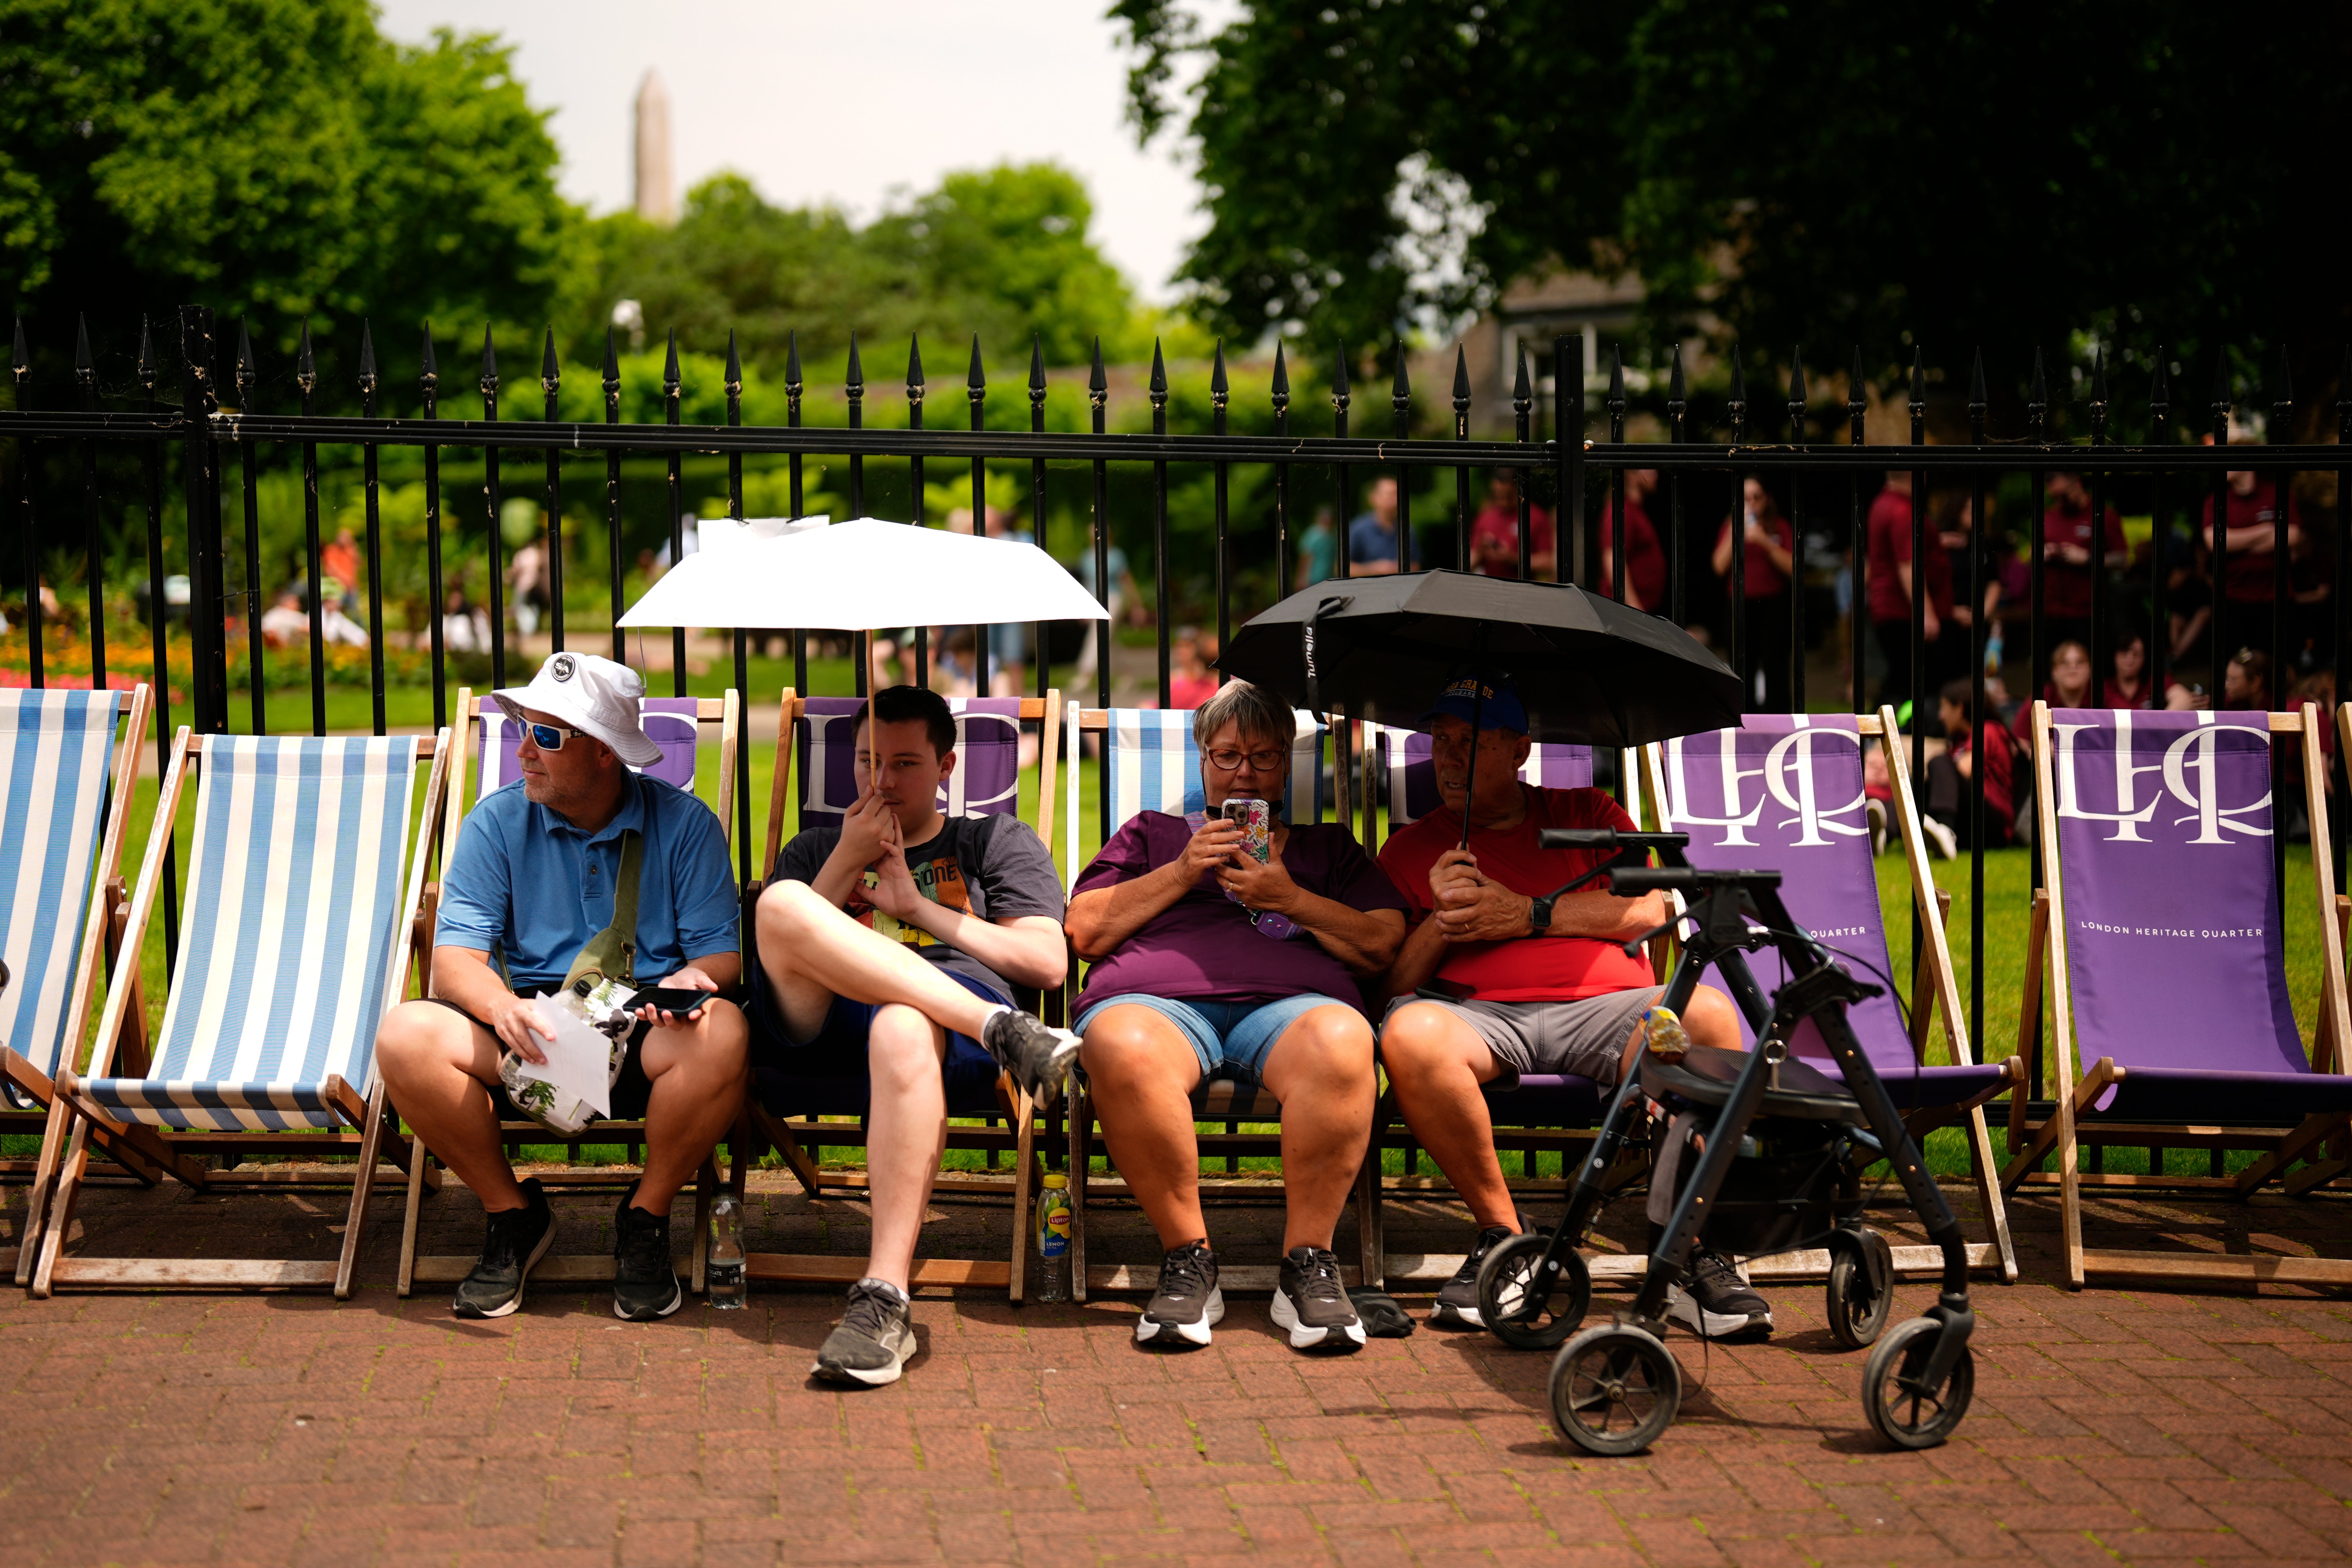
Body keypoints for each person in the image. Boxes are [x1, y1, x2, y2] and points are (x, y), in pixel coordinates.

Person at [1373, 677, 1763, 1338]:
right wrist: (1442, 919)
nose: (1447, 758)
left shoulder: (1590, 811)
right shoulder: (1412, 848)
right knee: (1408, 1033)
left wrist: (1527, 915)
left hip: (1611, 1009)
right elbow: (1391, 981)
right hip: (1479, 1017)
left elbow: (1657, 908)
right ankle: (1505, 1238)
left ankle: (1691, 1252)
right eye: (1439, 741)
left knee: (1712, 1018)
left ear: (1521, 751)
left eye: (1471, 743)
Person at [373, 653, 750, 1323]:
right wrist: (504, 1008)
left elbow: (721, 956)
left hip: (644, 1033)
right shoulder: (496, 824)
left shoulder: (685, 826)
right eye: (523, 729)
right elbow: (455, 962)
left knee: (726, 1031)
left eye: (547, 736)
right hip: (529, 1032)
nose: (523, 752)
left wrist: (694, 980)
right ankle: (512, 1216)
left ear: (605, 752)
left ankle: (645, 1218)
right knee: (406, 1036)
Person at [751, 685, 1081, 1387]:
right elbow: (776, 943)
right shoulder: (816, 847)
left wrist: (917, 908)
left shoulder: (992, 841)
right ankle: (1005, 1030)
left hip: (940, 1043)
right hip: (828, 1024)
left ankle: (884, 1297)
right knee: (783, 901)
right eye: (868, 761)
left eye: (904, 763)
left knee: (904, 1021)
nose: (882, 781)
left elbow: (1048, 961)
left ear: (948, 767)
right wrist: (846, 859)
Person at [1066, 679, 1406, 1352]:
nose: (1244, 770)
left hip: (1292, 1009)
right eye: (1226, 755)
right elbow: (1083, 931)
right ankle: (1188, 1259)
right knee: (1120, 1043)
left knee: (1343, 1040)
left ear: (1285, 765)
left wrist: (1292, 897)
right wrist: (1183, 870)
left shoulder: (1325, 849)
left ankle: (1307, 1266)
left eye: (1262, 756)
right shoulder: (1152, 835)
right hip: (1157, 1006)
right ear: (1202, 762)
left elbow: (1383, 943)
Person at [1710, 476, 1798, 712]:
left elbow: (1793, 568)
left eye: (1757, 497)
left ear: (1767, 499)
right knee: (1741, 667)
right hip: (1739, 605)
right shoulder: (1730, 526)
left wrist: (1765, 542)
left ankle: (1779, 722)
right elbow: (1719, 566)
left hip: (1772, 605)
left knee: (1776, 665)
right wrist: (1735, 531)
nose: (1752, 503)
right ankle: (1744, 722)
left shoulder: (1779, 526)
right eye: (1746, 498)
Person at [1865, 472, 1950, 709]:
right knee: (1910, 682)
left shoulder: (1882, 504)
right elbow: (1907, 565)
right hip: (1903, 611)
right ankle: (1886, 737)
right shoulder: (1902, 511)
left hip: (1891, 607)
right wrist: (1926, 613)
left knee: (1902, 679)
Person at [1924, 678, 2014, 859]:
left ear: (1959, 710)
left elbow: (1964, 770)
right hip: (1969, 826)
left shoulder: (1988, 730)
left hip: (1993, 826)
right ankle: (1885, 832)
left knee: (1939, 763)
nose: (1941, 716)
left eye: (1944, 708)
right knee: (1915, 784)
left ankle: (1946, 830)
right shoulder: (1958, 741)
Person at [2040, 472, 2127, 654]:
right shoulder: (2049, 517)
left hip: (2088, 614)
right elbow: (2032, 555)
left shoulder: (2103, 515)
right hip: (2052, 613)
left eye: (2064, 495)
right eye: (2055, 497)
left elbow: (2123, 559)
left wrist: (2088, 558)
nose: (2060, 501)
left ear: (2077, 484)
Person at [1598, 468, 1667, 612]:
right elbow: (1613, 559)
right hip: (1625, 612)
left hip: (1636, 611)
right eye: (1648, 469)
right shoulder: (1623, 509)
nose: (1655, 474)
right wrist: (1634, 607)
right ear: (1631, 476)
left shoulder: (1636, 510)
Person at [984, 506, 1036, 696]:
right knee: (990, 658)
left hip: (1011, 608)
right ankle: (992, 699)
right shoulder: (980, 541)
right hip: (988, 609)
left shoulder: (1015, 538)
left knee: (1014, 657)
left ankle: (1018, 701)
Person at [1468, 469, 1556, 579]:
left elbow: (1549, 563)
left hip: (1523, 588)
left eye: (1509, 497)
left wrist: (1514, 559)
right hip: (1489, 587)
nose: (1504, 502)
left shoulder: (1536, 517)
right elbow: (1470, 561)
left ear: (1519, 491)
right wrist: (1481, 551)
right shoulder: (1485, 516)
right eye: (1499, 496)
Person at [1346, 475, 1414, 577]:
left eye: (1397, 494)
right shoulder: (1358, 529)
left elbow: (1416, 565)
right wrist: (1375, 570)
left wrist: (1396, 569)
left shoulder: (1407, 529)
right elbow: (1341, 568)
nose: (1395, 499)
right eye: (1389, 495)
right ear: (1374, 498)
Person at [1166, 628, 1219, 710]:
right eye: (1179, 646)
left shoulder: (1212, 682)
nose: (1180, 651)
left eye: (1187, 647)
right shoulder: (1175, 679)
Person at [320, 527, 363, 614]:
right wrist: (346, 579)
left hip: (351, 586)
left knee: (353, 611)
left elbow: (359, 563)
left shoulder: (350, 551)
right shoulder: (332, 550)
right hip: (338, 586)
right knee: (334, 609)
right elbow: (331, 569)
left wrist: (354, 547)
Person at [1295, 506, 1339, 590]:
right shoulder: (1312, 534)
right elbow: (1305, 557)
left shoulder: (1333, 535)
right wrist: (1301, 578)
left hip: (1330, 578)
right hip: (1313, 579)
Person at [2106, 633, 2154, 710]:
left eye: (2136, 654)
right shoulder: (2103, 686)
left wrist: (2159, 720)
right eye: (2124, 653)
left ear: (2144, 658)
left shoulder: (2153, 681)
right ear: (2115, 656)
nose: (2130, 660)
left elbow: (2179, 697)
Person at [2222, 647, 2271, 712]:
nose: (2226, 686)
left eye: (2233, 680)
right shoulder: (2234, 704)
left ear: (2256, 683)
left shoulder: (2275, 711)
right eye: (2227, 678)